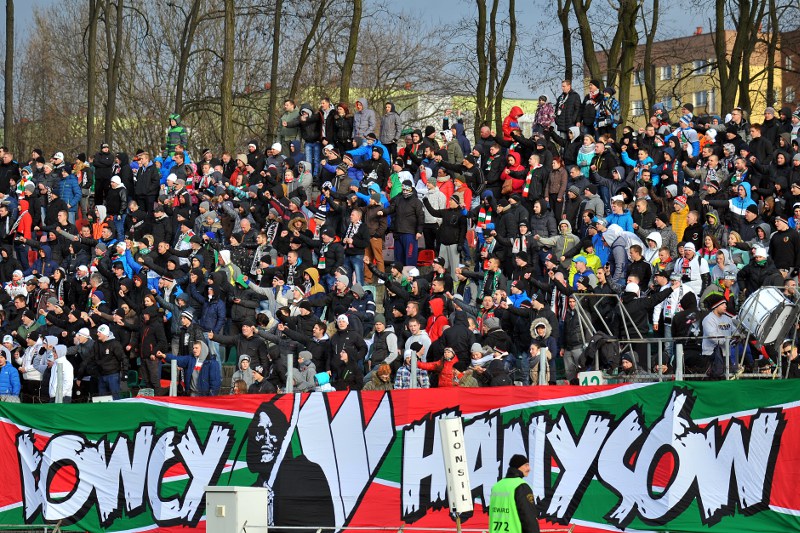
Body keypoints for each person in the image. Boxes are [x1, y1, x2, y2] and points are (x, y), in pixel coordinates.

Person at [245, 400, 335, 531]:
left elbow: (326, 526)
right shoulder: (250, 492)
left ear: (283, 437)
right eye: (259, 431)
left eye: (272, 430)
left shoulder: (307, 473)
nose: (266, 437)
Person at [489, 454, 539, 533]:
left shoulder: (497, 486)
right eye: (526, 465)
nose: (529, 468)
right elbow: (528, 516)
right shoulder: (521, 486)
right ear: (518, 466)